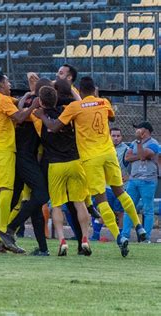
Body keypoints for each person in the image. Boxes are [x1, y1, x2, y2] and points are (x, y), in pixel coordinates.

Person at [34, 76, 146, 257]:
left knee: (99, 200)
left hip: (86, 159)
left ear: (79, 89)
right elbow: (112, 116)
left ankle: (118, 237)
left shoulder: (73, 108)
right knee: (119, 192)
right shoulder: (104, 102)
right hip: (107, 153)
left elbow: (54, 127)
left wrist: (41, 115)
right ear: (94, 89)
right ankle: (138, 227)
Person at [0, 76, 52, 255]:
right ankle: (8, 230)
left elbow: (20, 108)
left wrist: (29, 93)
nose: (10, 85)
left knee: (13, 199)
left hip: (16, 154)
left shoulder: (20, 100)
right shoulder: (37, 107)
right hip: (24, 157)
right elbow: (23, 118)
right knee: (39, 195)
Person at [37, 86, 92, 256]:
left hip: (55, 165)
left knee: (58, 205)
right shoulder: (68, 111)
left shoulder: (38, 117)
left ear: (40, 101)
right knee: (79, 202)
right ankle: (85, 239)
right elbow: (79, 103)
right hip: (74, 161)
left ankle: (62, 240)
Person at [122, 122, 159, 242]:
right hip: (133, 180)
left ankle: (145, 238)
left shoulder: (153, 143)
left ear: (146, 130)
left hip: (148, 181)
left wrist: (138, 148)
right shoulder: (134, 143)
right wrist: (140, 153)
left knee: (148, 209)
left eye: (139, 128)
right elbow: (127, 158)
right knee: (129, 207)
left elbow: (143, 156)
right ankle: (125, 236)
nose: (136, 130)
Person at [91, 127, 130, 240]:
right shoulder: (102, 148)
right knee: (102, 210)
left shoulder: (127, 150)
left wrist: (130, 176)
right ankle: (95, 235)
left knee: (120, 212)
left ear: (121, 137)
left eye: (118, 136)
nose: (116, 138)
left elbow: (136, 162)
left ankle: (121, 236)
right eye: (113, 136)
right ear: (109, 136)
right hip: (105, 187)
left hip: (121, 187)